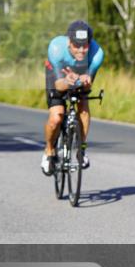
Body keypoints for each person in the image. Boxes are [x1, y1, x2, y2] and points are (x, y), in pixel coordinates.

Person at [41, 20, 104, 176]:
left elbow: (88, 87)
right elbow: (58, 85)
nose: (81, 50)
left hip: (80, 76)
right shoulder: (56, 49)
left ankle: (81, 149)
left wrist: (85, 80)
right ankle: (49, 150)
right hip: (58, 77)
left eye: (85, 45)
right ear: (69, 42)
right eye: (77, 45)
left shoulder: (97, 54)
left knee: (83, 106)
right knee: (56, 117)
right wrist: (67, 81)